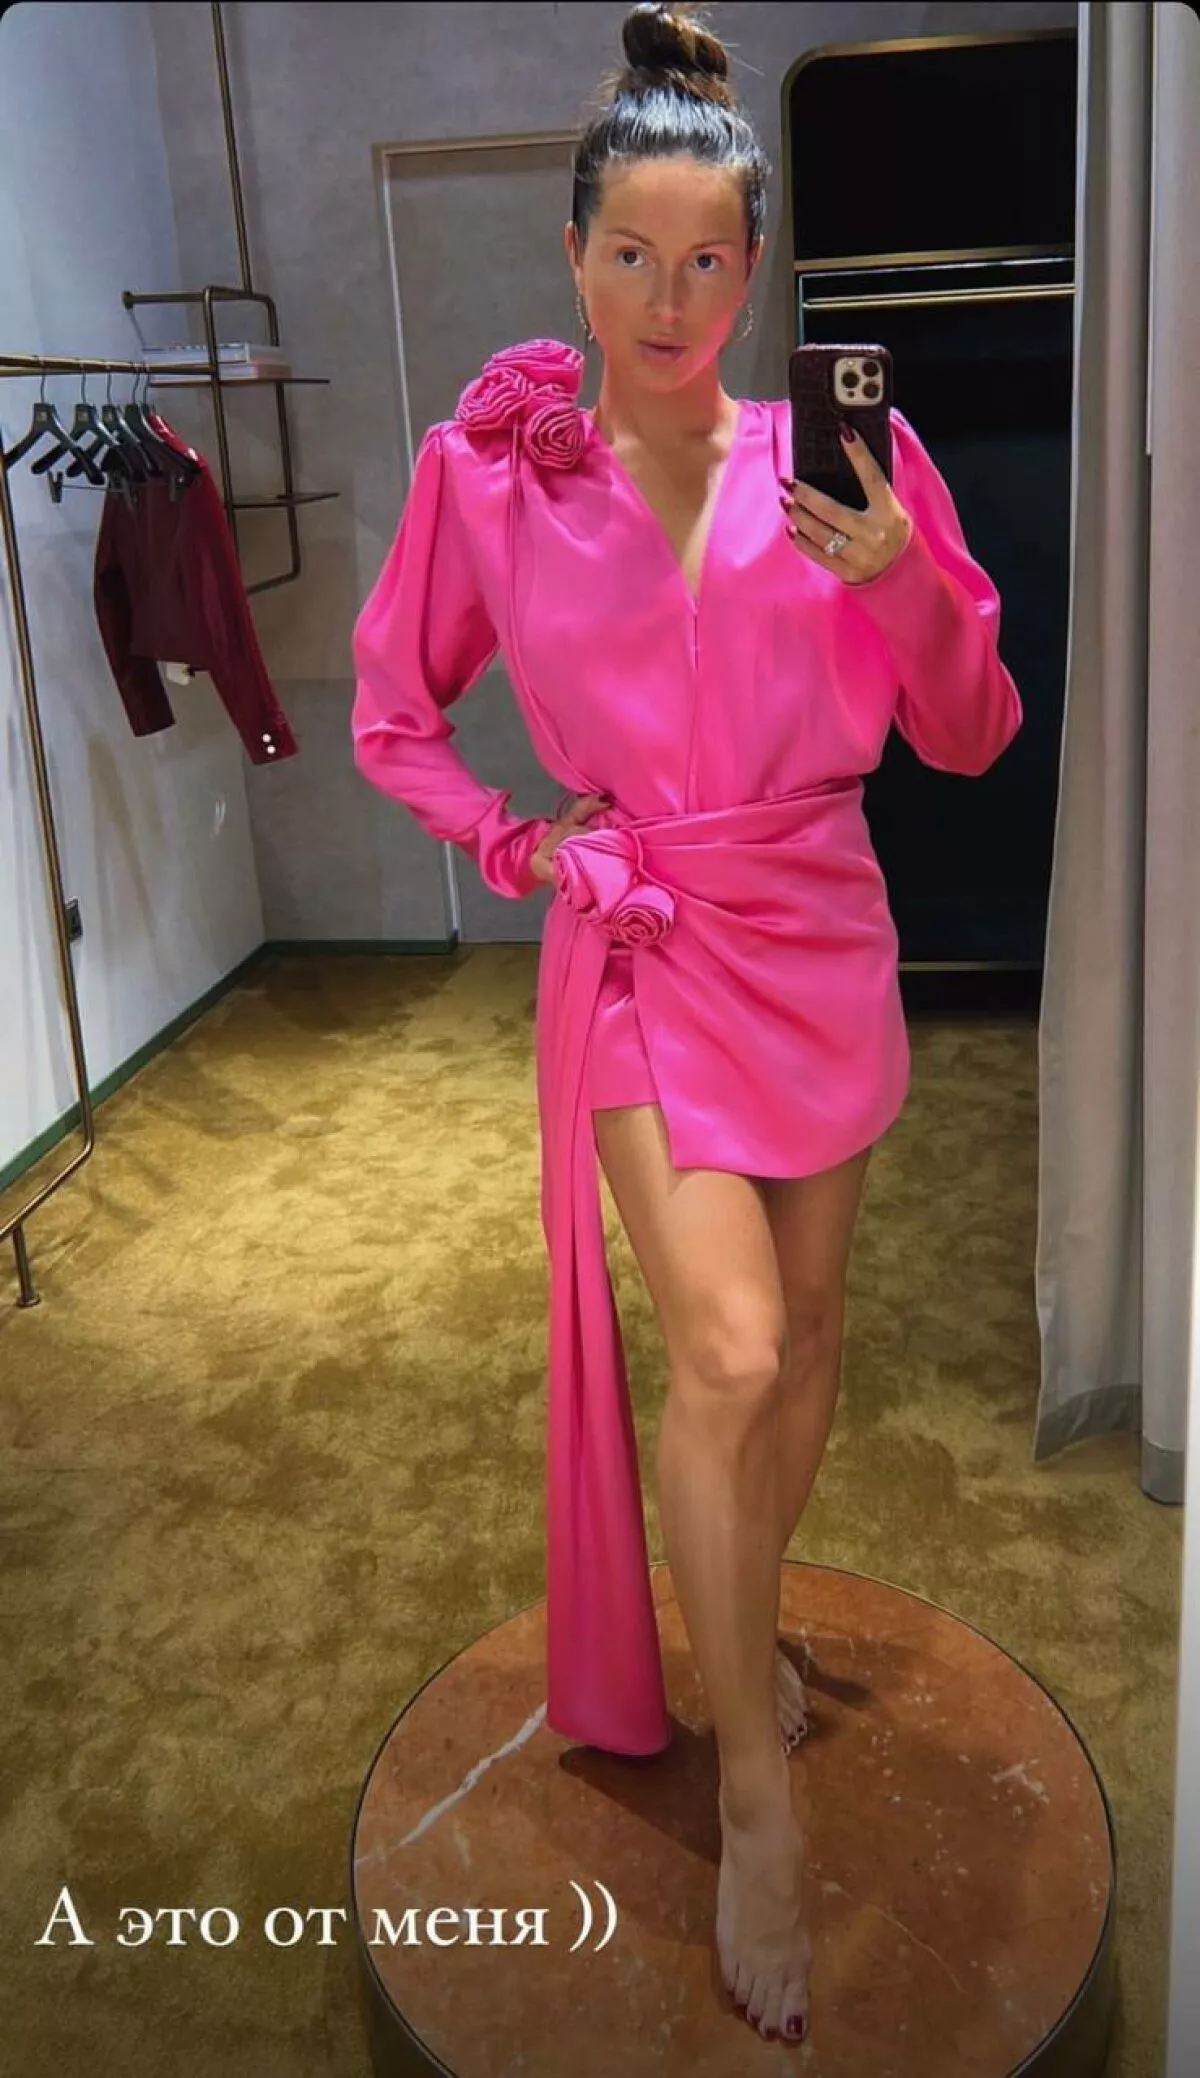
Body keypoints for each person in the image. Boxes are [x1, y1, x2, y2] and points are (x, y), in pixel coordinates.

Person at [351, 0, 1022, 2049]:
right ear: (572, 254)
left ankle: (743, 1632)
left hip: (820, 928)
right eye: (629, 254)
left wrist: (905, 579)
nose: (668, 299)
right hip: (641, 939)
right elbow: (393, 710)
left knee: (806, 1342)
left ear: (756, 268)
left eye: (708, 259)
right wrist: (514, 840)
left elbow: (970, 730)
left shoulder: (843, 459)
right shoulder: (489, 481)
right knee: (725, 1342)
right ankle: (752, 1803)